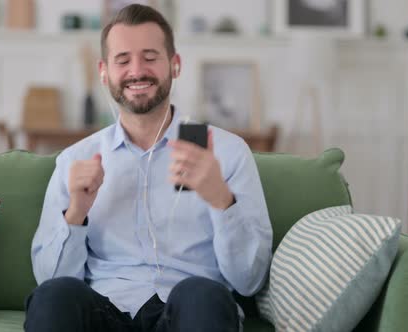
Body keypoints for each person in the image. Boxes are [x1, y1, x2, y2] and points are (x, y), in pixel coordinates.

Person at [24, 4, 272, 332]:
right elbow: (48, 281)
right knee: (53, 296)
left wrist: (220, 199)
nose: (137, 71)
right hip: (105, 311)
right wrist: (76, 214)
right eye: (123, 60)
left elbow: (250, 281)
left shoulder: (226, 152)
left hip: (189, 310)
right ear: (104, 71)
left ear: (175, 64)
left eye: (150, 57)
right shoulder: (76, 159)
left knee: (202, 295)